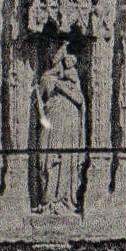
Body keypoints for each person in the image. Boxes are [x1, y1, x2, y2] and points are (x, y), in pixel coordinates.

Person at [35, 43, 85, 212]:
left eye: (60, 58)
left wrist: (63, 88)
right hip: (52, 121)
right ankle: (48, 199)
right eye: (54, 58)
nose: (57, 61)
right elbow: (39, 100)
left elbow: (79, 100)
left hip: (69, 121)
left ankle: (65, 198)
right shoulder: (46, 78)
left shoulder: (72, 78)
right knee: (50, 158)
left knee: (67, 158)